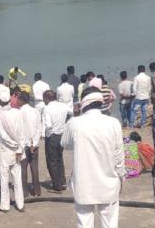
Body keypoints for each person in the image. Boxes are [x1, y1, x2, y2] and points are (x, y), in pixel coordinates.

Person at [61, 87, 125, 228]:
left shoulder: (74, 123)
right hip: (109, 182)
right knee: (110, 223)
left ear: (82, 103)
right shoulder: (113, 123)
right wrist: (121, 176)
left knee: (84, 224)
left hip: (83, 184)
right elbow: (119, 155)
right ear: (100, 102)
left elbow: (65, 143)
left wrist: (74, 116)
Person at [0, 90, 26, 212]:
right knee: (17, 179)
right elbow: (23, 133)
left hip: (5, 152)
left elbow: (3, 137)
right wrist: (19, 148)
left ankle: (5, 205)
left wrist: (13, 145)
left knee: (4, 180)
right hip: (17, 151)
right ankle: (20, 204)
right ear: (9, 100)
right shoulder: (18, 113)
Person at [43, 90, 73, 194]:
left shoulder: (47, 109)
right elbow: (72, 112)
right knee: (59, 159)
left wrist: (46, 135)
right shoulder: (63, 106)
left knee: (52, 161)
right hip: (61, 135)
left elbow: (48, 125)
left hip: (52, 136)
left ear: (47, 98)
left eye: (44, 99)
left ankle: (57, 186)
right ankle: (62, 181)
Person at [18, 91, 42, 198]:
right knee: (34, 167)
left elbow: (19, 130)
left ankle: (24, 191)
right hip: (34, 142)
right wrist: (35, 142)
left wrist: (26, 143)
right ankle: (37, 190)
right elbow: (39, 128)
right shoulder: (35, 111)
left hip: (24, 144)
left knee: (23, 168)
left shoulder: (19, 112)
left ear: (21, 100)